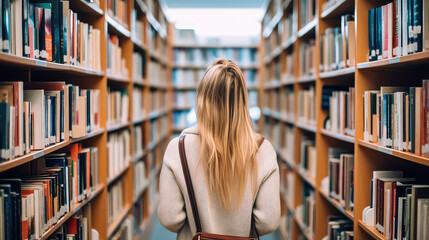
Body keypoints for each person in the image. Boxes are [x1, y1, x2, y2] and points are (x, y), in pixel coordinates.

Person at [158, 59, 280, 239]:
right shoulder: (263, 149)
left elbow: (170, 219)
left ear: (201, 99)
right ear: (243, 101)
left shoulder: (178, 148)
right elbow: (268, 222)